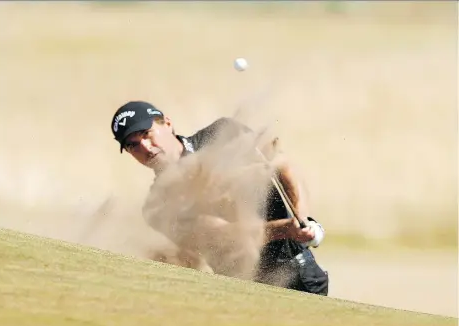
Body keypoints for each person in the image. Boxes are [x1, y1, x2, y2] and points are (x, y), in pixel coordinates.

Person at [110, 100, 329, 296]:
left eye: (147, 133)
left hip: (297, 275)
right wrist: (287, 228)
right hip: (236, 290)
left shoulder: (223, 133)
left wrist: (302, 220)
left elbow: (282, 164)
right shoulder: (157, 206)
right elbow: (222, 236)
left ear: (167, 123)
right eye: (132, 144)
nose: (145, 147)